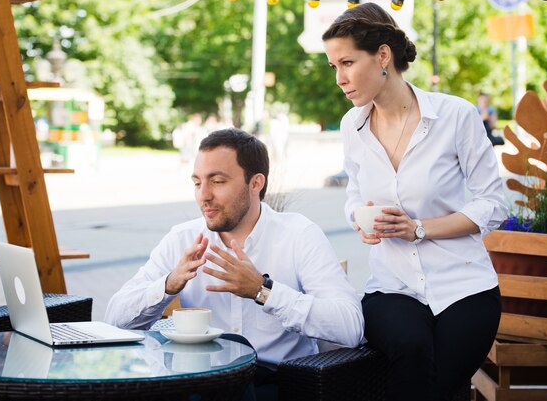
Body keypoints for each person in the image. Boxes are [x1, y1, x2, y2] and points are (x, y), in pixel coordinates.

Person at [322, 3, 508, 401]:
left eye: (347, 63)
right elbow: (354, 193)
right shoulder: (351, 126)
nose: (339, 78)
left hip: (465, 287)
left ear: (383, 56)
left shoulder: (455, 116)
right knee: (411, 352)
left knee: (436, 385)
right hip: (392, 288)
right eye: (333, 66)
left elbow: (494, 202)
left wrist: (419, 229)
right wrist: (358, 217)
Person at [105, 128, 364, 400]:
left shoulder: (298, 235)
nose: (203, 195)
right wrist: (168, 285)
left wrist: (263, 291)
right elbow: (115, 321)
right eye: (197, 183)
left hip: (276, 382)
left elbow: (349, 328)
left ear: (256, 183)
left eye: (217, 181)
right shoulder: (183, 239)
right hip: (202, 381)